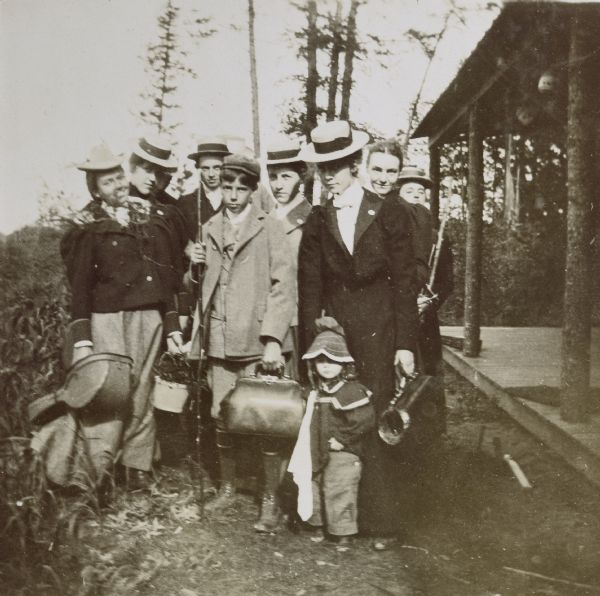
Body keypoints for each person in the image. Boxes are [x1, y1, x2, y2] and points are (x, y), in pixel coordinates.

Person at [33, 143, 185, 492]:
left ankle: (137, 468)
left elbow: (166, 278)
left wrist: (173, 324)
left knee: (143, 392)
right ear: (94, 188)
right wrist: (83, 339)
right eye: (106, 182)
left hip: (149, 317)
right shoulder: (87, 226)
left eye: (118, 178)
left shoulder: (146, 214)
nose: (116, 186)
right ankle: (94, 473)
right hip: (108, 320)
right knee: (109, 397)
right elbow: (81, 286)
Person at [298, 120, 418, 550]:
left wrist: (405, 344)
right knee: (341, 418)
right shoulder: (317, 218)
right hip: (337, 336)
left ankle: (383, 522)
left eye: (336, 165)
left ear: (352, 164)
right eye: (321, 168)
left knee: (378, 412)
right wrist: (312, 346)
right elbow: (309, 284)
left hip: (382, 328)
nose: (329, 174)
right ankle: (338, 517)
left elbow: (406, 282)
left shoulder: (389, 211)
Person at [188, 154, 295, 533]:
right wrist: (193, 265)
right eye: (227, 186)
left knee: (264, 419)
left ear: (253, 190)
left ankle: (269, 499)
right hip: (218, 339)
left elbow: (284, 286)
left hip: (255, 339)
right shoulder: (209, 226)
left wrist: (272, 340)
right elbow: (201, 285)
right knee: (221, 415)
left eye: (241, 188)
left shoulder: (271, 228)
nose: (233, 194)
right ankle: (229, 486)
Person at [288, 316, 375, 546]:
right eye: (320, 360)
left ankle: (343, 532)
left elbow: (364, 421)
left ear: (345, 364)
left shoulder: (351, 391)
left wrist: (343, 441)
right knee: (313, 484)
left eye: (333, 360)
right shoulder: (314, 392)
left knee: (340, 488)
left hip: (342, 452)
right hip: (316, 448)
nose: (326, 365)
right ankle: (316, 525)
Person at [397, 166, 454, 435]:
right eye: (409, 191)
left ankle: (429, 434)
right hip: (395, 317)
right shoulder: (389, 232)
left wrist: (429, 302)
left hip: (425, 320)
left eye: (420, 192)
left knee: (427, 372)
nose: (415, 197)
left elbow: (447, 281)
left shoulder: (437, 237)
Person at [178, 137, 231, 245]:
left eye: (217, 168)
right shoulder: (185, 204)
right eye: (205, 168)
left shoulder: (235, 200)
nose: (211, 174)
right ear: (198, 168)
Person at [129, 135, 179, 207]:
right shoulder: (120, 198)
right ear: (133, 166)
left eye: (158, 173)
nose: (153, 178)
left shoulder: (169, 205)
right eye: (148, 170)